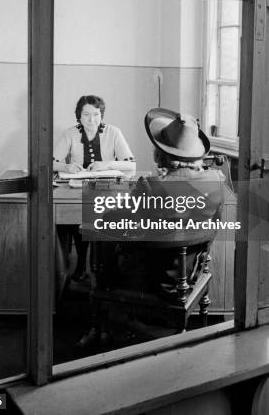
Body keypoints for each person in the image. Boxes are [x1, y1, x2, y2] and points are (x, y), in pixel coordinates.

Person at [79, 107, 228, 348]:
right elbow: (214, 226)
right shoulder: (216, 181)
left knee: (101, 243)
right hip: (191, 270)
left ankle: (109, 326)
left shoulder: (150, 184)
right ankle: (117, 324)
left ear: (161, 154)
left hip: (155, 277)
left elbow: (110, 221)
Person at [54, 94, 135, 281]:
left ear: (102, 115)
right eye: (87, 115)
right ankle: (81, 263)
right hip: (76, 189)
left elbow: (131, 165)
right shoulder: (70, 133)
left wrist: (107, 164)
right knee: (75, 219)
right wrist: (66, 166)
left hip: (107, 190)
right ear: (79, 116)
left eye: (97, 114)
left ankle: (102, 268)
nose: (92, 120)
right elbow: (51, 162)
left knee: (105, 218)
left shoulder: (114, 132)